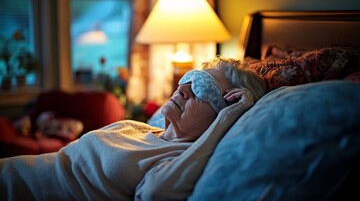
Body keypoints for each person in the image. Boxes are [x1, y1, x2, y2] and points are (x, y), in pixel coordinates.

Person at [0, 57, 267, 201]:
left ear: (225, 109)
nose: (182, 88)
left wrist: (225, 121)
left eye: (201, 88)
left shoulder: (179, 158)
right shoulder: (137, 128)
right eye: (189, 78)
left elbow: (154, 194)